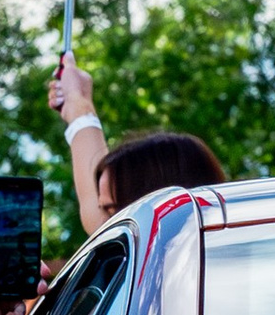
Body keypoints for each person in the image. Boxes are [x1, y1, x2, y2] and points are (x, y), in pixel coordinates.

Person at [47, 52, 226, 237]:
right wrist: (77, 101)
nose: (105, 223)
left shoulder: (132, 248)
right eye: (104, 209)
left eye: (110, 210)